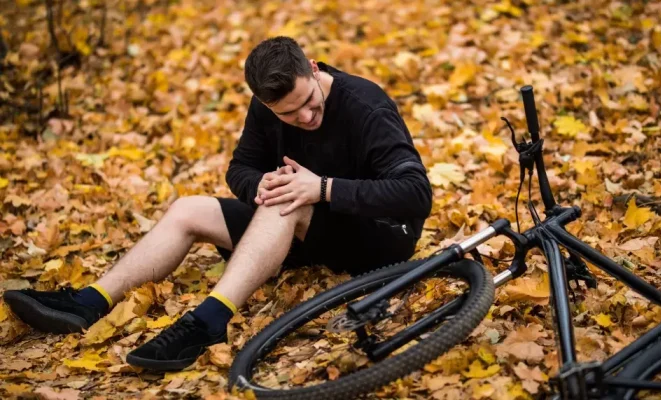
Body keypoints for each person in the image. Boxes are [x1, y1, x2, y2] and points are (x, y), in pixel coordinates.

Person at [3, 36, 432, 371]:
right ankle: (90, 302)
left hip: (382, 236)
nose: (303, 117)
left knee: (290, 200)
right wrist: (258, 183)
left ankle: (208, 322)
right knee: (188, 208)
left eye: (307, 102)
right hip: (307, 228)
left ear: (314, 69)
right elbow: (240, 168)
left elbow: (416, 194)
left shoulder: (366, 106)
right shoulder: (267, 106)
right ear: (266, 103)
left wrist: (322, 188)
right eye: (287, 113)